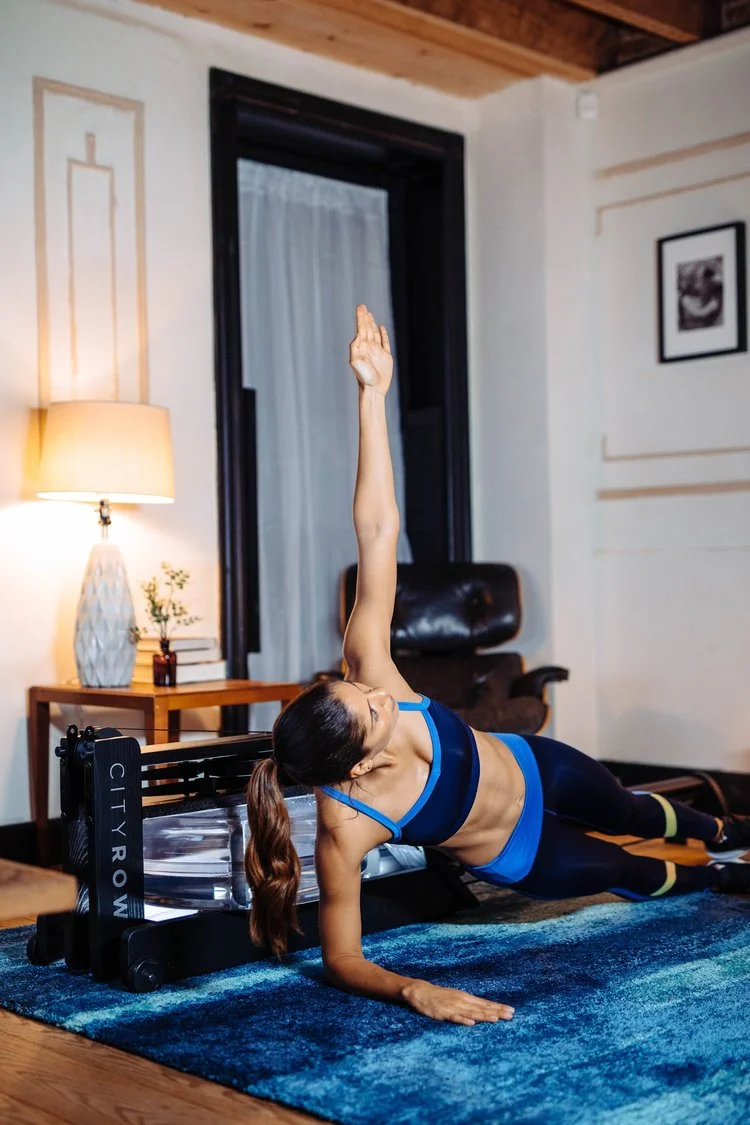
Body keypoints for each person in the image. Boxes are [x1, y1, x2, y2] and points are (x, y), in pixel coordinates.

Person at [245, 304, 750, 1026]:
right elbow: (342, 957)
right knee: (627, 867)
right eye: (372, 712)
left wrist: (371, 396)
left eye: (357, 690)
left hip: (536, 766)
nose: (379, 694)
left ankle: (724, 832)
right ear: (357, 766)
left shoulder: (371, 669)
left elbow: (377, 529)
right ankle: (718, 875)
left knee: (632, 808)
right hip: (521, 850)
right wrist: (413, 989)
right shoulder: (345, 825)